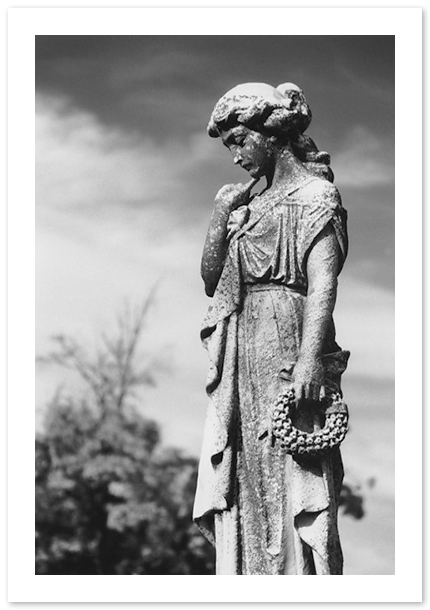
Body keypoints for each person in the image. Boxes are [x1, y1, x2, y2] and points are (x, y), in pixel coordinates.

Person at [193, 82, 349, 575]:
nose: (236, 156)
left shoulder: (316, 194)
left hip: (289, 335)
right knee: (245, 470)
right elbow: (210, 279)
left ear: (270, 134)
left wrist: (309, 359)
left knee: (292, 465)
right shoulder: (245, 207)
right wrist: (221, 213)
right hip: (243, 348)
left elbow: (324, 280)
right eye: (230, 146)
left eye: (240, 141)